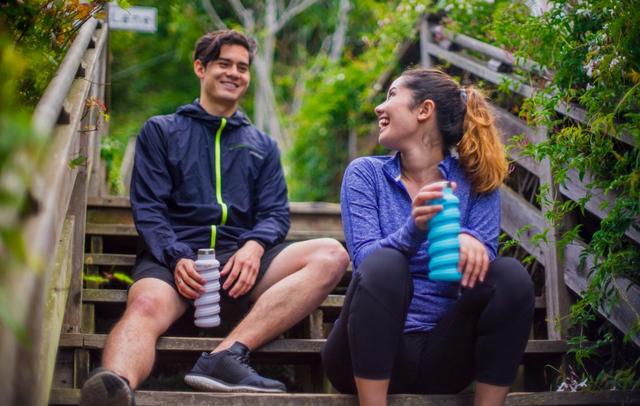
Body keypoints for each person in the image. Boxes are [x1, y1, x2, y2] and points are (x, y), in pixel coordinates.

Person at [79, 30, 349, 406]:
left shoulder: (263, 146)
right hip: (175, 260)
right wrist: (176, 257)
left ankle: (225, 356)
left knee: (331, 254)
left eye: (242, 67)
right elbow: (150, 209)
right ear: (200, 67)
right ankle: (115, 388)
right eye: (224, 63)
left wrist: (254, 247)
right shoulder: (161, 131)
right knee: (144, 306)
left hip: (239, 265)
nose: (234, 73)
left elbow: (274, 214)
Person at [321, 68, 535, 406]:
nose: (380, 107)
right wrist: (414, 230)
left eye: (392, 95)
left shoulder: (476, 179)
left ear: (424, 110)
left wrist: (469, 242)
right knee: (386, 263)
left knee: (511, 276)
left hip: (443, 355)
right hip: (363, 353)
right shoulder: (365, 174)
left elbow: (488, 283)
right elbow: (365, 264)